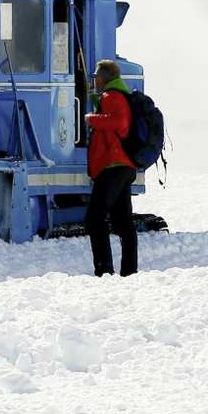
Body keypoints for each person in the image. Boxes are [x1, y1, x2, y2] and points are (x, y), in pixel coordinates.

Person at [84, 59, 139, 277]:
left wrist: (91, 119)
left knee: (94, 218)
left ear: (105, 77)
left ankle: (104, 270)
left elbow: (119, 123)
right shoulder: (113, 96)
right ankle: (129, 271)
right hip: (121, 166)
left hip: (113, 166)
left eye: (96, 76)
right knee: (122, 221)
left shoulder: (113, 96)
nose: (94, 80)